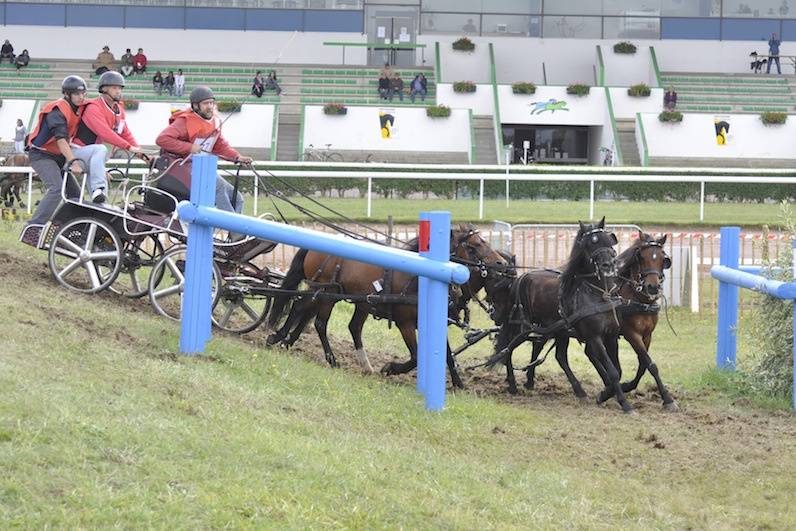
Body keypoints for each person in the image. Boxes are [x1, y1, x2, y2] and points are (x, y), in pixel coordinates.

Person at [155, 86, 253, 214]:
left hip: (202, 170)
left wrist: (237, 157)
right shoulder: (184, 122)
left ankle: (236, 232)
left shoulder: (215, 122)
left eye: (212, 103)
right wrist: (190, 147)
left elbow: (220, 145)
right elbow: (162, 139)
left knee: (237, 197)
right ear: (195, 106)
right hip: (180, 168)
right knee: (218, 186)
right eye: (206, 103)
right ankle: (233, 227)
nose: (210, 106)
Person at [19, 76, 87, 246]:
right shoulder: (56, 110)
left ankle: (67, 231)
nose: (81, 97)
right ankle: (32, 230)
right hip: (41, 155)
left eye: (83, 93)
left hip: (57, 157)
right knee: (56, 188)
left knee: (76, 196)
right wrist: (74, 162)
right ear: (67, 94)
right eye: (77, 93)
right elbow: (61, 140)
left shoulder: (76, 109)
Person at [72, 71, 142, 204]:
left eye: (120, 88)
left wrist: (141, 153)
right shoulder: (93, 107)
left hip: (92, 157)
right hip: (77, 153)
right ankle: (98, 188)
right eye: (114, 88)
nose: (118, 92)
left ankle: (96, 211)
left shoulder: (118, 110)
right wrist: (128, 147)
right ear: (104, 89)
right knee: (100, 149)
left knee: (100, 202)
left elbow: (125, 133)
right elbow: (105, 133)